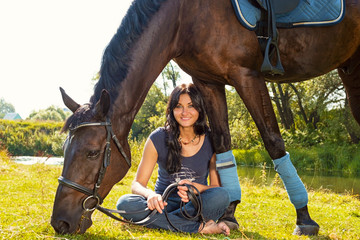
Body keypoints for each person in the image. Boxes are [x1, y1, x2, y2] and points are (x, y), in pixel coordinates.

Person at [116, 83, 231, 235]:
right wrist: (151, 195)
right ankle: (197, 227)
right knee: (124, 203)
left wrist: (195, 188)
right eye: (178, 106)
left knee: (222, 196)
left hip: (195, 205)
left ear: (200, 109)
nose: (185, 112)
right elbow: (137, 184)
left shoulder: (211, 140)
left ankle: (163, 221)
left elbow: (215, 187)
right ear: (172, 110)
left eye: (191, 106)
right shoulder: (157, 138)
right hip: (163, 204)